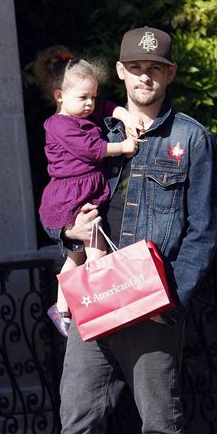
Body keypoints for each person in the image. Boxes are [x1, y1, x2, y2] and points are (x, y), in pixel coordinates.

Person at [39, 27, 217, 434]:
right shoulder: (88, 126)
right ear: (121, 71)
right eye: (135, 67)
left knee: (159, 417)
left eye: (156, 67)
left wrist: (177, 299)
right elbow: (58, 194)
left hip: (153, 300)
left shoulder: (191, 138)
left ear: (169, 74)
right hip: (96, 292)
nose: (145, 75)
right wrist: (65, 235)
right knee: (77, 414)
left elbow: (202, 232)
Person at [33, 46, 143, 337]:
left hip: (84, 193)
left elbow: (107, 106)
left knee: (77, 256)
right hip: (72, 196)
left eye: (92, 97)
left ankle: (63, 307)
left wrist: (124, 115)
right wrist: (123, 147)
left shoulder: (81, 115)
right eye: (83, 97)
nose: (90, 104)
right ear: (60, 96)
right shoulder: (59, 124)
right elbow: (91, 150)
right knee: (95, 250)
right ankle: (99, 303)